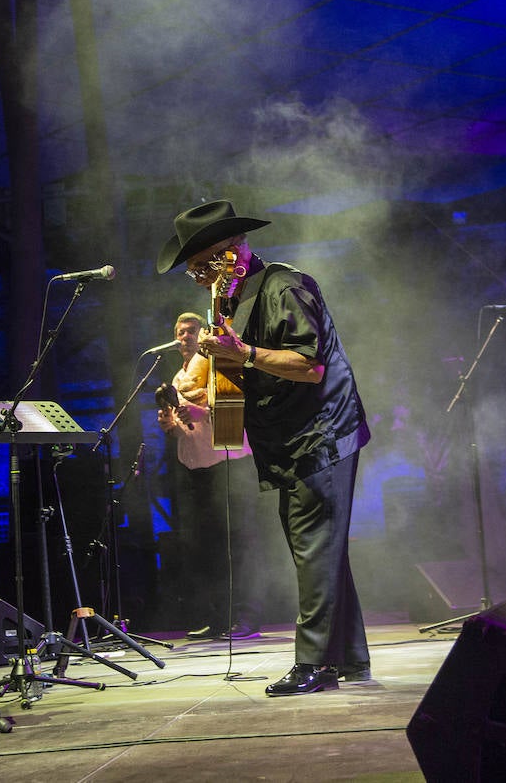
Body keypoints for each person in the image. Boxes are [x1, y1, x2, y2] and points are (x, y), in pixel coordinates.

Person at [156, 199, 370, 696]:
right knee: (319, 550)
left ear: (229, 252)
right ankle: (350, 659)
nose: (194, 275)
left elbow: (310, 365)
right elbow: (238, 389)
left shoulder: (283, 287)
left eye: (199, 263)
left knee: (314, 546)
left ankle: (314, 664)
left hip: (322, 431)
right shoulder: (227, 301)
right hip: (285, 440)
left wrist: (243, 352)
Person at [156, 311, 264, 641]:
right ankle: (216, 617)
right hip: (194, 466)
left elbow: (239, 403)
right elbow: (184, 430)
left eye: (191, 330)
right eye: (179, 331)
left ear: (202, 334)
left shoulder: (218, 362)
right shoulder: (177, 377)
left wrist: (203, 411)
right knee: (203, 546)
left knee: (237, 542)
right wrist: (170, 427)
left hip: (227, 462)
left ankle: (247, 615)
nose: (184, 335)